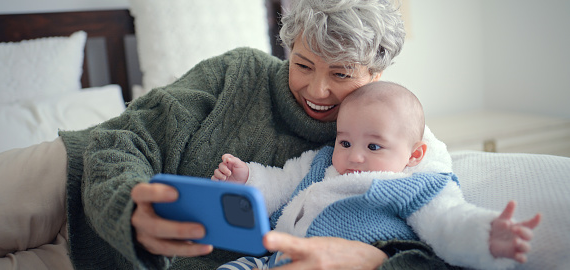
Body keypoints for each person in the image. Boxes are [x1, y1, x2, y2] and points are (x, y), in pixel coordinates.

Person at [0, 0, 461, 270]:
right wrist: (130, 212)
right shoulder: (238, 72)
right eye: (302, 65)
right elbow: (124, 137)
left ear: (375, 73)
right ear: (287, 48)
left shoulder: (399, 144)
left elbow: (440, 244)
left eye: (340, 74)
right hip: (71, 178)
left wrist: (370, 257)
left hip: (101, 262)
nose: (317, 91)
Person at [213, 81, 542, 270]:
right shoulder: (322, 163)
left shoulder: (412, 186)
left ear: (413, 155)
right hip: (275, 259)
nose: (354, 155)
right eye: (345, 141)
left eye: (374, 146)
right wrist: (245, 179)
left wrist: (485, 235)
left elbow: (449, 220)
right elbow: (280, 182)